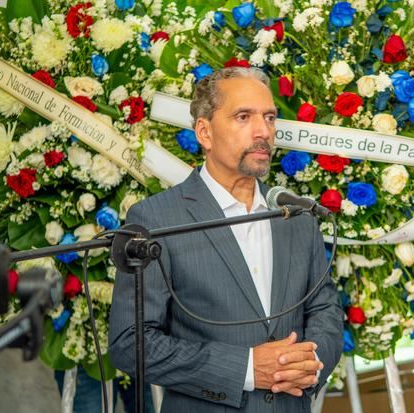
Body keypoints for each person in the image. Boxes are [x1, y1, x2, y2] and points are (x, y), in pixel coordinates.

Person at [108, 67, 344, 412]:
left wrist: (307, 366)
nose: (263, 131)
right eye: (243, 117)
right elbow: (130, 344)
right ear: (204, 131)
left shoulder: (298, 215)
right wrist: (246, 369)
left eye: (269, 117)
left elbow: (324, 310)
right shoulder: (155, 220)